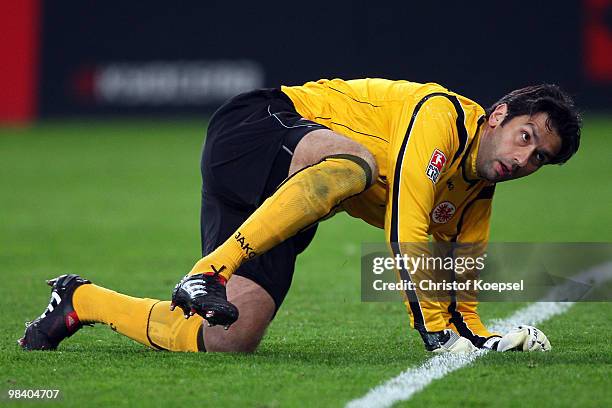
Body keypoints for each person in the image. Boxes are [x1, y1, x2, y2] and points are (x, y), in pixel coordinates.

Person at [19, 79, 580, 353]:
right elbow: (406, 229)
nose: (524, 158)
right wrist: (436, 333)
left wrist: (478, 335)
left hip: (280, 203)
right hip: (256, 130)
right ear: (499, 116)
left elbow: (462, 274)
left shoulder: (476, 193)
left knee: (228, 339)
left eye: (539, 159)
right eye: (525, 137)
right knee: (355, 163)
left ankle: (80, 301)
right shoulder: (442, 116)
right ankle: (207, 271)